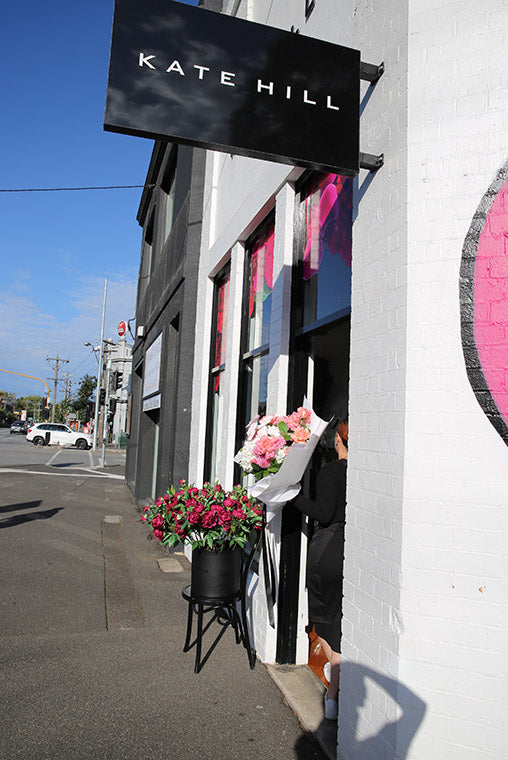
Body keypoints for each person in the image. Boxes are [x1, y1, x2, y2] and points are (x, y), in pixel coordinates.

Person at [292, 418, 348, 720]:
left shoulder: (331, 471)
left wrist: (293, 498)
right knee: (338, 619)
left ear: (338, 440)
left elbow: (323, 514)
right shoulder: (366, 472)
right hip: (349, 550)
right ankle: (335, 686)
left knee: (323, 623)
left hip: (326, 549)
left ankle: (332, 694)